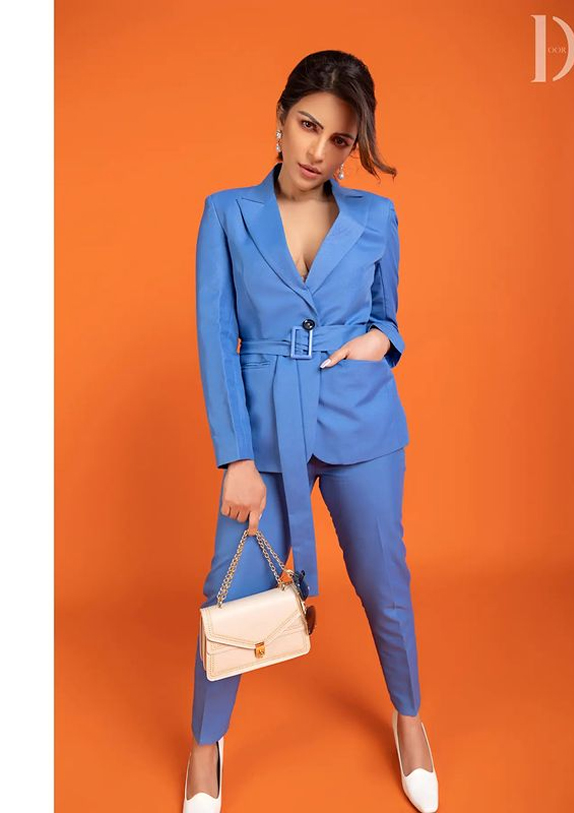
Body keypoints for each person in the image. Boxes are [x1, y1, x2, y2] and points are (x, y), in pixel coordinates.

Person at [183, 50, 439, 813]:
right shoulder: (227, 213)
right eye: (307, 125)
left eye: (339, 139)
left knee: (385, 582)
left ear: (352, 148)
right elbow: (215, 338)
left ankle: (410, 719)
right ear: (281, 118)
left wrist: (379, 341)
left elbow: (388, 316)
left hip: (362, 421)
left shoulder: (376, 217)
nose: (317, 150)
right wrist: (235, 456)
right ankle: (205, 745)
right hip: (263, 433)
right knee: (230, 591)